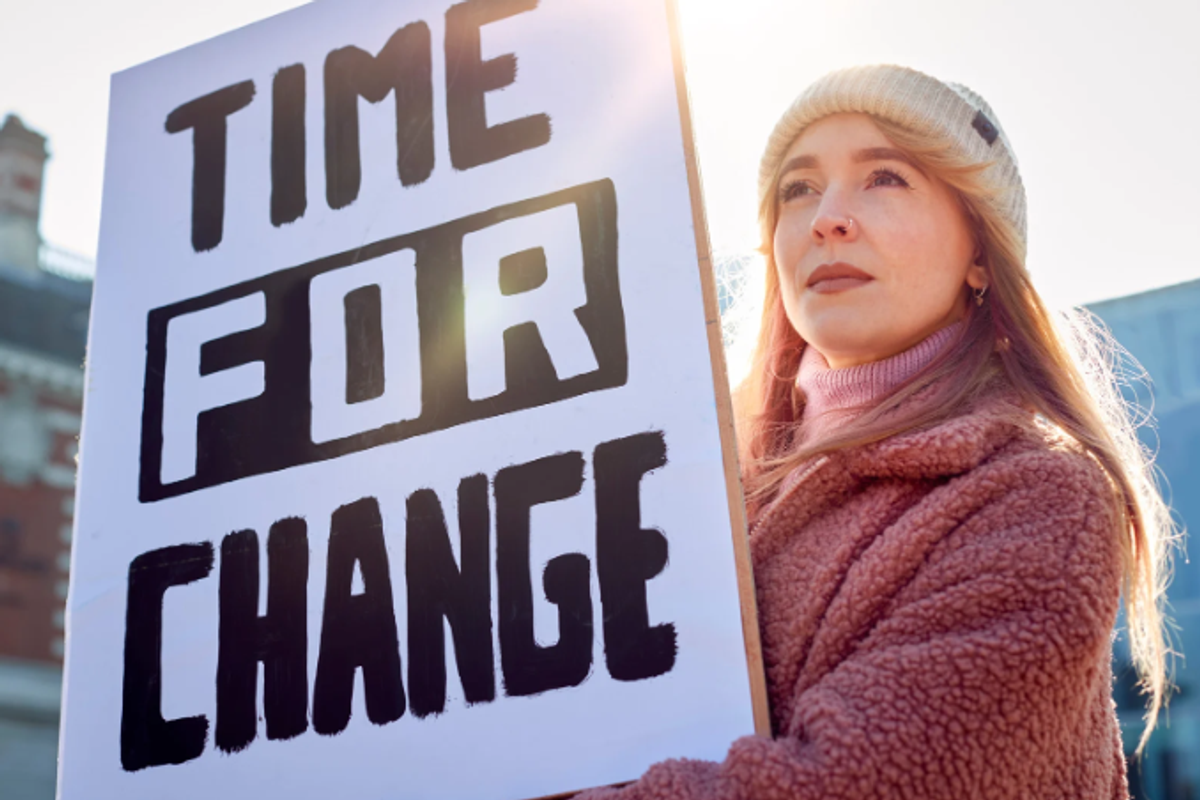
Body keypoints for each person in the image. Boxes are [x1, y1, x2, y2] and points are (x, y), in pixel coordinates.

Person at [578, 64, 1174, 800]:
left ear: (981, 254)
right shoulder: (689, 489)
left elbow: (858, 782)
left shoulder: (1037, 493)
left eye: (885, 177)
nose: (828, 215)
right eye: (797, 188)